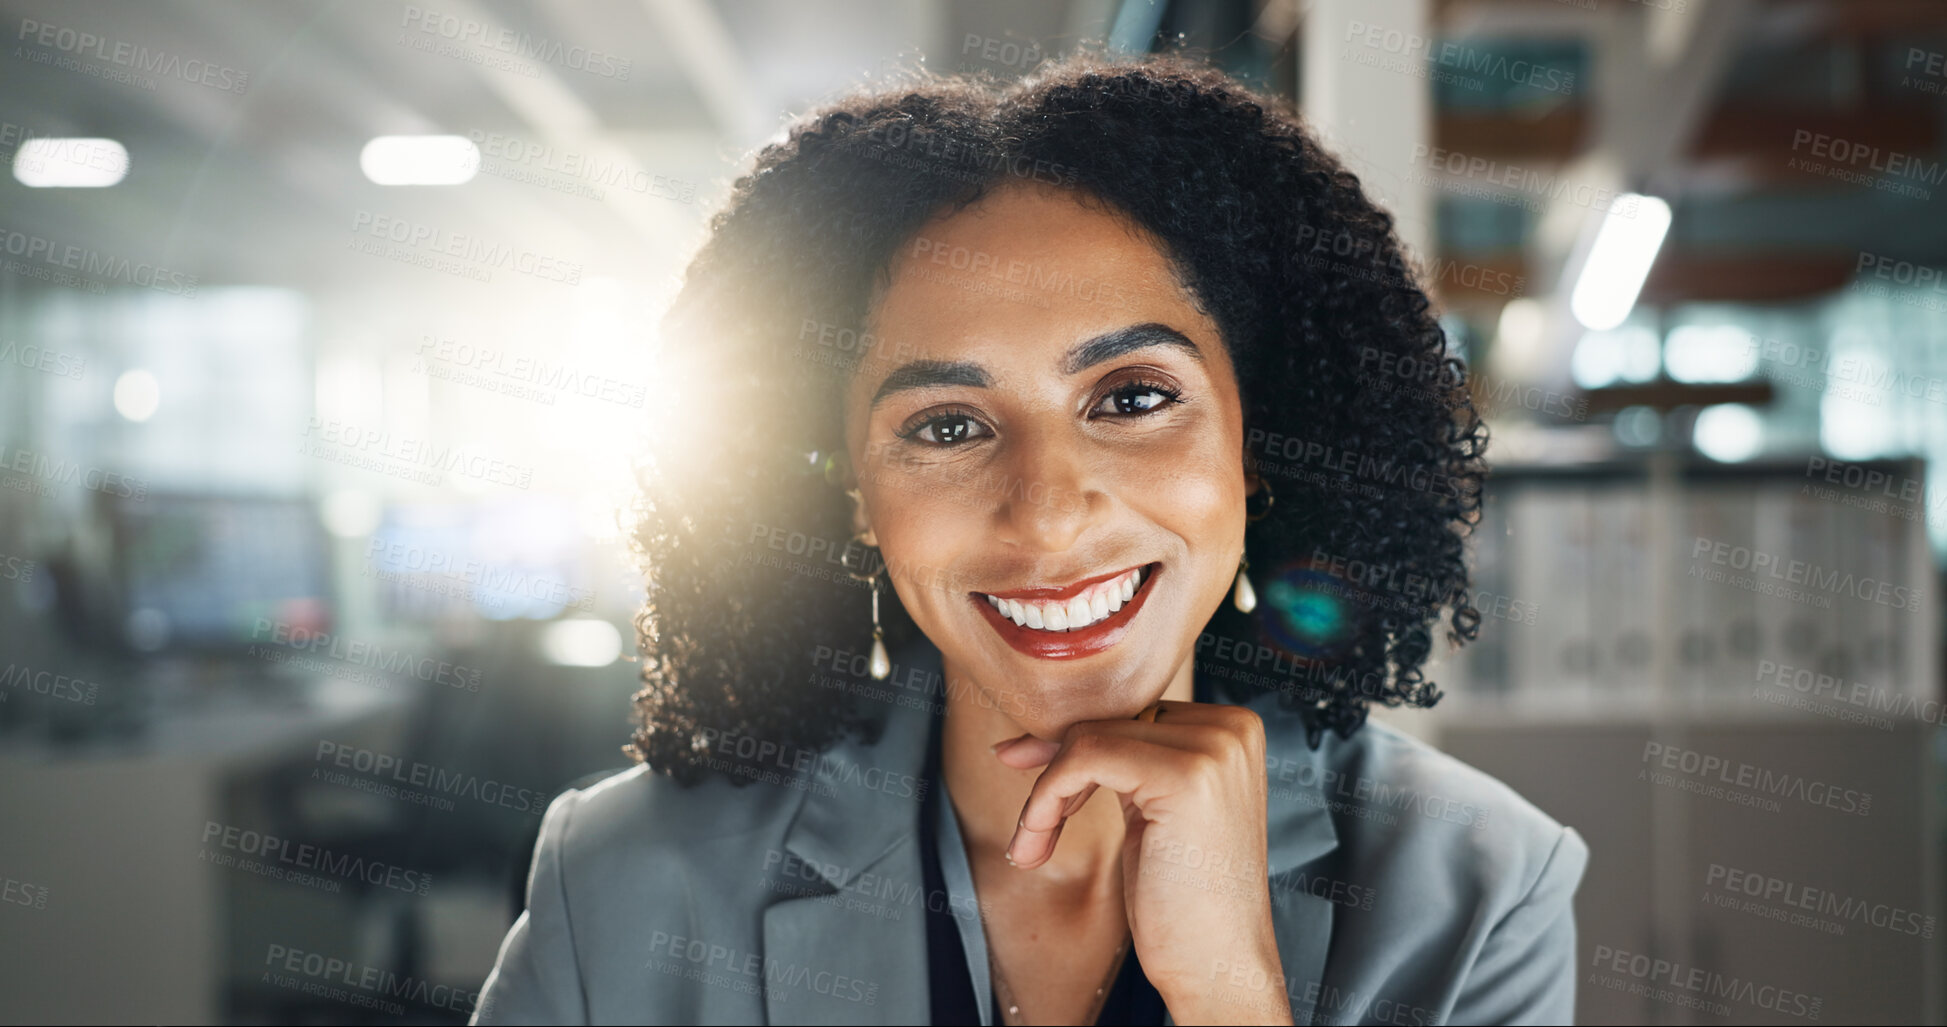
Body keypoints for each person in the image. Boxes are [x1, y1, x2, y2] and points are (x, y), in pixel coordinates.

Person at [473, 52, 1588, 1026]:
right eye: (947, 426)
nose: (1050, 512)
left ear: (1259, 443)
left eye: (1134, 397)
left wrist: (1231, 997)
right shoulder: (628, 881)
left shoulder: (1475, 893)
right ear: (854, 493)